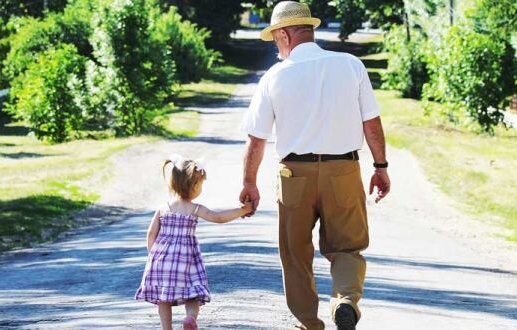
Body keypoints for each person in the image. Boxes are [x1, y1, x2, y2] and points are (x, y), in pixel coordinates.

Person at [239, 2, 391, 329]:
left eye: (275, 39)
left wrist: (249, 183)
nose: (276, 47)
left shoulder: (275, 76)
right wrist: (381, 166)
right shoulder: (350, 65)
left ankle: (309, 323)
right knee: (348, 247)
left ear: (284, 34)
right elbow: (373, 124)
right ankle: (345, 300)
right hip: (344, 170)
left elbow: (256, 139)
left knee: (295, 254)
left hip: (294, 175)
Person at [135, 155, 253, 330]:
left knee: (163, 298)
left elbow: (151, 234)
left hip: (161, 261)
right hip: (186, 261)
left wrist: (153, 257)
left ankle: (166, 328)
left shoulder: (163, 208)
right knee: (193, 293)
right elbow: (218, 217)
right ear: (195, 186)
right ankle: (190, 317)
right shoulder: (195, 209)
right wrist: (244, 210)